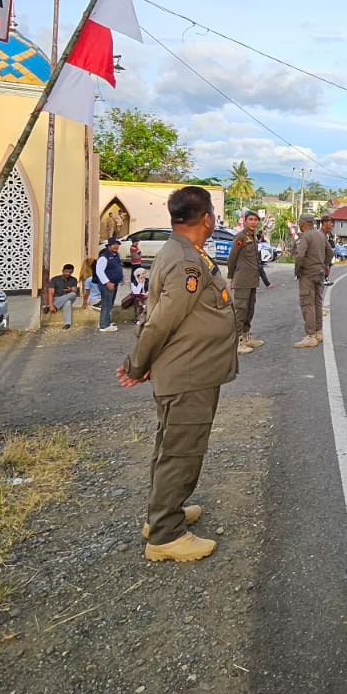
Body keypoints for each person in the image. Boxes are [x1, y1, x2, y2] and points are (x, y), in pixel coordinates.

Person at [116, 186, 237, 563]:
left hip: (188, 368)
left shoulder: (181, 251)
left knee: (171, 446)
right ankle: (166, 536)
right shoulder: (186, 260)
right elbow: (161, 321)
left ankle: (163, 514)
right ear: (206, 218)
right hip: (189, 373)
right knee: (181, 452)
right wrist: (137, 362)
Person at [227, 210, 270, 355]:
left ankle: (246, 337)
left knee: (249, 310)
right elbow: (232, 257)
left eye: (255, 220)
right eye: (250, 219)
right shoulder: (240, 237)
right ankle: (237, 342)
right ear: (245, 221)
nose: (253, 222)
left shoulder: (253, 237)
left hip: (252, 280)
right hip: (242, 279)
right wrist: (231, 276)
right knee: (240, 311)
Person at [293, 212, 331, 349]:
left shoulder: (305, 236)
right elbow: (330, 252)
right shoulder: (320, 235)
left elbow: (300, 255)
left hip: (307, 273)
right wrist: (325, 265)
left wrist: (297, 271)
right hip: (319, 273)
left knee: (307, 303)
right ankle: (318, 332)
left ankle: (310, 335)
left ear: (303, 225)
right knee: (317, 302)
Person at [94, 238, 124, 332]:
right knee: (106, 304)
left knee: (110, 303)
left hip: (114, 283)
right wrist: (107, 282)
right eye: (114, 244)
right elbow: (99, 271)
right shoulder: (104, 257)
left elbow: (118, 266)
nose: (116, 246)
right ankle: (103, 325)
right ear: (109, 246)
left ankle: (106, 321)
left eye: (117, 244)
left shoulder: (116, 255)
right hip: (107, 284)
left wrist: (121, 277)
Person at [45, 263, 80, 329]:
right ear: (62, 271)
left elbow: (74, 290)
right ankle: (67, 323)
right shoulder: (54, 279)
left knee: (73, 294)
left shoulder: (73, 279)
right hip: (57, 298)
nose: (68, 273)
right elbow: (50, 293)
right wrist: (51, 304)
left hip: (69, 296)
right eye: (66, 271)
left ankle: (55, 306)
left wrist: (71, 289)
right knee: (68, 302)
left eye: (70, 272)